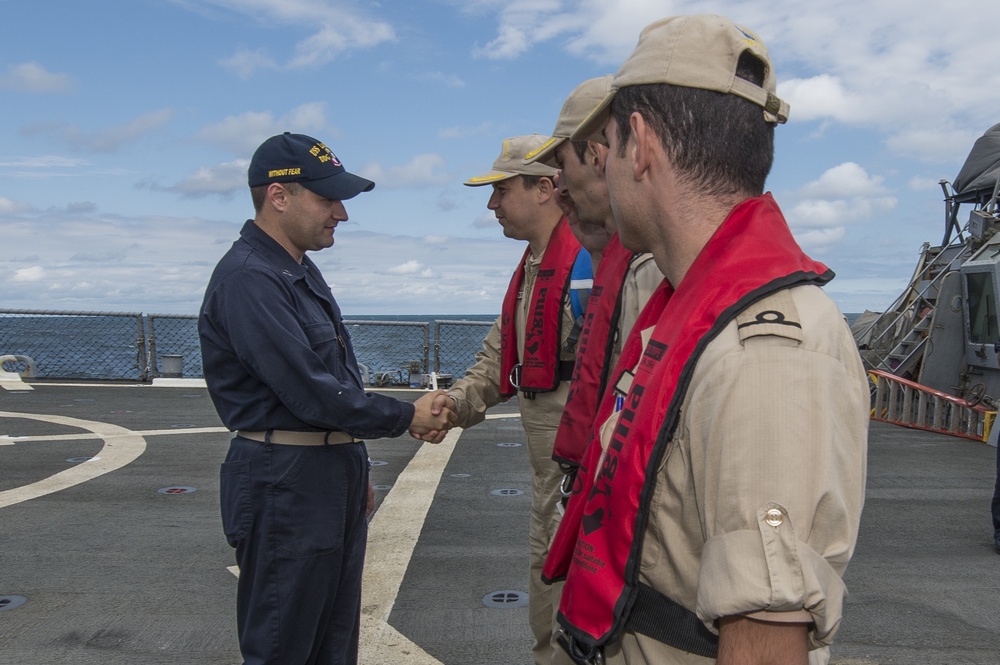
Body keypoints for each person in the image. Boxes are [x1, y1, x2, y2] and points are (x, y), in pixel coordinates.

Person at [543, 15, 870, 665]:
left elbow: (767, 639)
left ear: (639, 144)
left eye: (608, 146)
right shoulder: (691, 309)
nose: (603, 175)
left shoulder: (764, 354)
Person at [198, 132, 455, 665]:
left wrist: (351, 463)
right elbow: (312, 392)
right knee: (284, 645)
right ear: (279, 195)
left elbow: (333, 384)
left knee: (333, 644)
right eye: (327, 197)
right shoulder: (250, 279)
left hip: (320, 471)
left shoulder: (296, 270)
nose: (340, 212)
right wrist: (407, 415)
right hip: (283, 478)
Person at [422, 134, 588, 665]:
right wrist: (452, 403)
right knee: (548, 618)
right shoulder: (535, 269)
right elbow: (498, 361)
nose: (491, 204)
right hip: (551, 483)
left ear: (545, 188)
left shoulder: (592, 269)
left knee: (577, 623)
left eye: (501, 189)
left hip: (583, 484)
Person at [523, 76, 663, 492]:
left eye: (563, 165)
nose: (560, 186)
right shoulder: (617, 257)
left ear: (600, 155)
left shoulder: (654, 268)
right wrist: (596, 241)